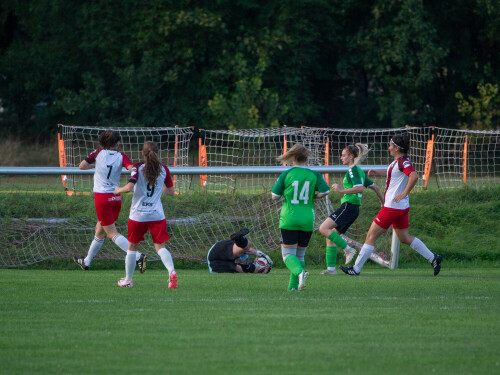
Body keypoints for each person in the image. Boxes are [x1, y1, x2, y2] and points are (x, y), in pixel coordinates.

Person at [341, 133, 442, 276]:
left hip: (392, 207)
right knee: (404, 238)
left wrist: (405, 192)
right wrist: (378, 172)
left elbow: (414, 176)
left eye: (390, 145)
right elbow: (395, 174)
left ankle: (355, 269)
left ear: (396, 148)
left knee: (370, 237)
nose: (388, 147)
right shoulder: (398, 162)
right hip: (401, 207)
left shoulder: (402, 162)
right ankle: (434, 258)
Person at [73, 130, 146, 272]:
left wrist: (96, 165)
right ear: (118, 143)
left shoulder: (98, 153)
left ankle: (137, 256)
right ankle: (86, 262)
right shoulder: (121, 156)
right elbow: (133, 169)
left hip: (102, 198)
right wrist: (131, 181)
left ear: (102, 142)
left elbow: (81, 166)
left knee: (111, 233)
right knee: (99, 230)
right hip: (116, 196)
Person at [114, 141, 177, 288]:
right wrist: (161, 189)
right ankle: (172, 272)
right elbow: (171, 192)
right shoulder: (164, 169)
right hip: (157, 215)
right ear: (157, 153)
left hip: (138, 215)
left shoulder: (137, 168)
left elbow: (129, 187)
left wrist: (118, 190)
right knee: (160, 246)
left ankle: (128, 280)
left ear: (143, 153)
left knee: (132, 247)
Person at [271, 143, 330, 291]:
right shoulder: (314, 174)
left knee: (287, 256)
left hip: (289, 218)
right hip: (307, 219)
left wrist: (286, 192)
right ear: (306, 158)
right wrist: (314, 196)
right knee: (300, 256)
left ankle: (300, 272)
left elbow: (274, 196)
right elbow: (326, 191)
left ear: (292, 158)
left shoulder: (287, 173)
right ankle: (293, 287)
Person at [318, 144, 384, 275]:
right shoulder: (359, 171)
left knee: (323, 228)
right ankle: (331, 269)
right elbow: (376, 188)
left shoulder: (353, 170)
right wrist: (383, 203)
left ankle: (348, 249)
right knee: (331, 236)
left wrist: (340, 190)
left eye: (343, 155)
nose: (341, 157)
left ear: (351, 156)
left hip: (348, 206)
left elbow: (359, 188)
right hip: (352, 209)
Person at [207, 228, 273, 273]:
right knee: (246, 247)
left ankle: (240, 239)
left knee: (243, 269)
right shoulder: (244, 255)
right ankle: (239, 238)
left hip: (215, 266)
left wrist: (261, 255)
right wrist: (262, 254)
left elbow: (246, 261)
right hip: (218, 253)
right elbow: (250, 251)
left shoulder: (243, 260)